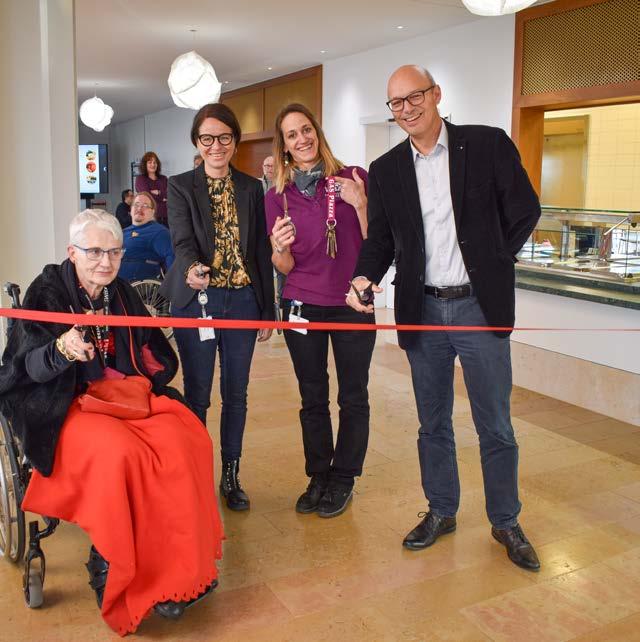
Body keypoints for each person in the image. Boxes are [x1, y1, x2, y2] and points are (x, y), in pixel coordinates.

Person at [347, 65, 542, 570]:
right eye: (396, 103)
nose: (406, 109)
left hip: (479, 306)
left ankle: (505, 520)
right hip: (423, 310)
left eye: (414, 96)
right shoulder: (386, 168)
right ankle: (441, 510)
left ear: (435, 94)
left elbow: (525, 208)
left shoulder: (487, 144)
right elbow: (381, 240)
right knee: (432, 422)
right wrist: (363, 277)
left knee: (494, 423)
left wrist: (496, 259)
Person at [0, 210, 223, 635]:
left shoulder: (120, 291)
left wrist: (147, 354)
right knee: (122, 454)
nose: (106, 262)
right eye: (95, 252)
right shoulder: (46, 291)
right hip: (67, 402)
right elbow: (25, 365)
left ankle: (181, 568)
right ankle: (112, 559)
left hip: (123, 396)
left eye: (115, 252)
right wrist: (61, 350)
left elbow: (150, 346)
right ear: (72, 252)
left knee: (185, 438)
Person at [159, 103, 274, 512]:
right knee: (198, 394)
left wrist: (268, 310)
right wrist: (192, 267)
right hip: (198, 302)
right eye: (207, 138)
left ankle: (231, 475)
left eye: (224, 137)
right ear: (197, 141)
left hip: (243, 300)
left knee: (236, 393)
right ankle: (194, 474)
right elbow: (181, 239)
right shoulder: (180, 186)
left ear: (235, 141)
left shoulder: (251, 188)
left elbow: (259, 250)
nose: (216, 146)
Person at [265, 103, 375, 519]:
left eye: (306, 129)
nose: (302, 139)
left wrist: (360, 204)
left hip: (351, 304)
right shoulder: (277, 197)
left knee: (353, 395)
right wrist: (279, 248)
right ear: (284, 146)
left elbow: (378, 245)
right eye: (292, 134)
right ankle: (318, 475)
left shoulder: (354, 177)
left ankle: (344, 477)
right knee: (312, 396)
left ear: (318, 132)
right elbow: (285, 267)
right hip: (301, 304)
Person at [118, 192, 174, 282]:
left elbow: (171, 257)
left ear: (152, 212)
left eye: (145, 206)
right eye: (136, 205)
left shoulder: (158, 232)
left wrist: (172, 284)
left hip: (140, 285)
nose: (139, 208)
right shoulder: (123, 232)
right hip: (116, 281)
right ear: (131, 210)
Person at [135, 152, 168, 226]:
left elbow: (170, 194)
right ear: (145, 164)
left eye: (155, 162)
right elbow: (147, 197)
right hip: (150, 217)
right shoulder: (141, 179)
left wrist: (158, 192)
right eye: (150, 162)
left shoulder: (164, 178)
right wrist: (163, 197)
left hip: (167, 216)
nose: (153, 165)